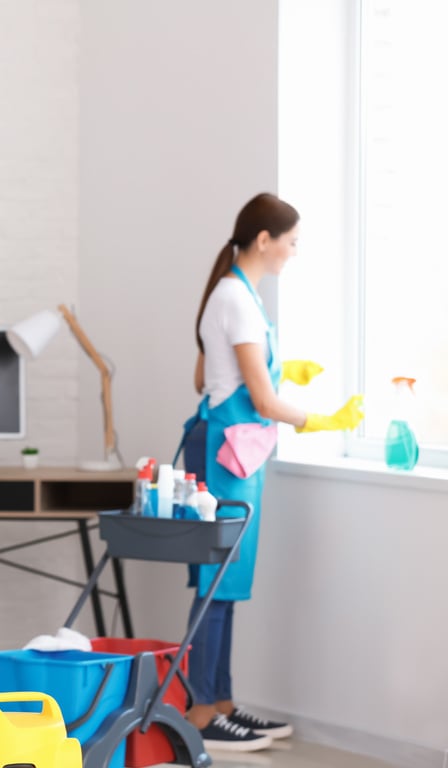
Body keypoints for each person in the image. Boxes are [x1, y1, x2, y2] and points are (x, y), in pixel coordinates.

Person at [186, 192, 364, 751]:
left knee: (227, 585)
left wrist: (284, 367)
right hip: (226, 453)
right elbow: (260, 402)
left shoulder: (237, 295)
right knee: (217, 585)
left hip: (234, 452)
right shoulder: (236, 297)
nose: (293, 252)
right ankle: (200, 714)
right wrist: (321, 420)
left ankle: (221, 703)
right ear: (265, 240)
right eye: (291, 242)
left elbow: (205, 378)